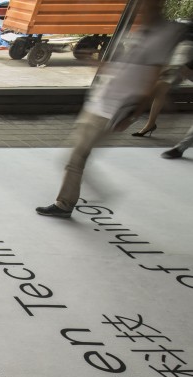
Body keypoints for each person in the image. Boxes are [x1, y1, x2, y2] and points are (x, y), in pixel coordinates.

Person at [35, 0, 185, 218]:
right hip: (100, 102)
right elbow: (126, 68)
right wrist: (97, 65)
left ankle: (67, 203)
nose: (141, 11)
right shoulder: (141, 33)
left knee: (75, 158)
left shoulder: (161, 38)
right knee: (76, 157)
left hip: (114, 109)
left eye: (145, 6)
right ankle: (73, 200)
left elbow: (151, 80)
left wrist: (133, 114)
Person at [130, 23, 193, 137]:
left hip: (186, 56)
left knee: (160, 87)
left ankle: (144, 117)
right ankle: (149, 123)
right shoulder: (184, 27)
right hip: (183, 55)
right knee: (160, 89)